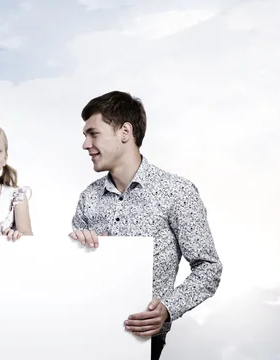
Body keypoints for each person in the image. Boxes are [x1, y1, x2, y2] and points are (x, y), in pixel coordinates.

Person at [68, 91, 222, 359]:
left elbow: (208, 268)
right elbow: (72, 272)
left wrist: (168, 308)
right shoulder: (88, 198)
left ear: (125, 132)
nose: (85, 144)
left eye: (93, 133)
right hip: (83, 333)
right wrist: (75, 246)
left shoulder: (177, 192)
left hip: (141, 342)